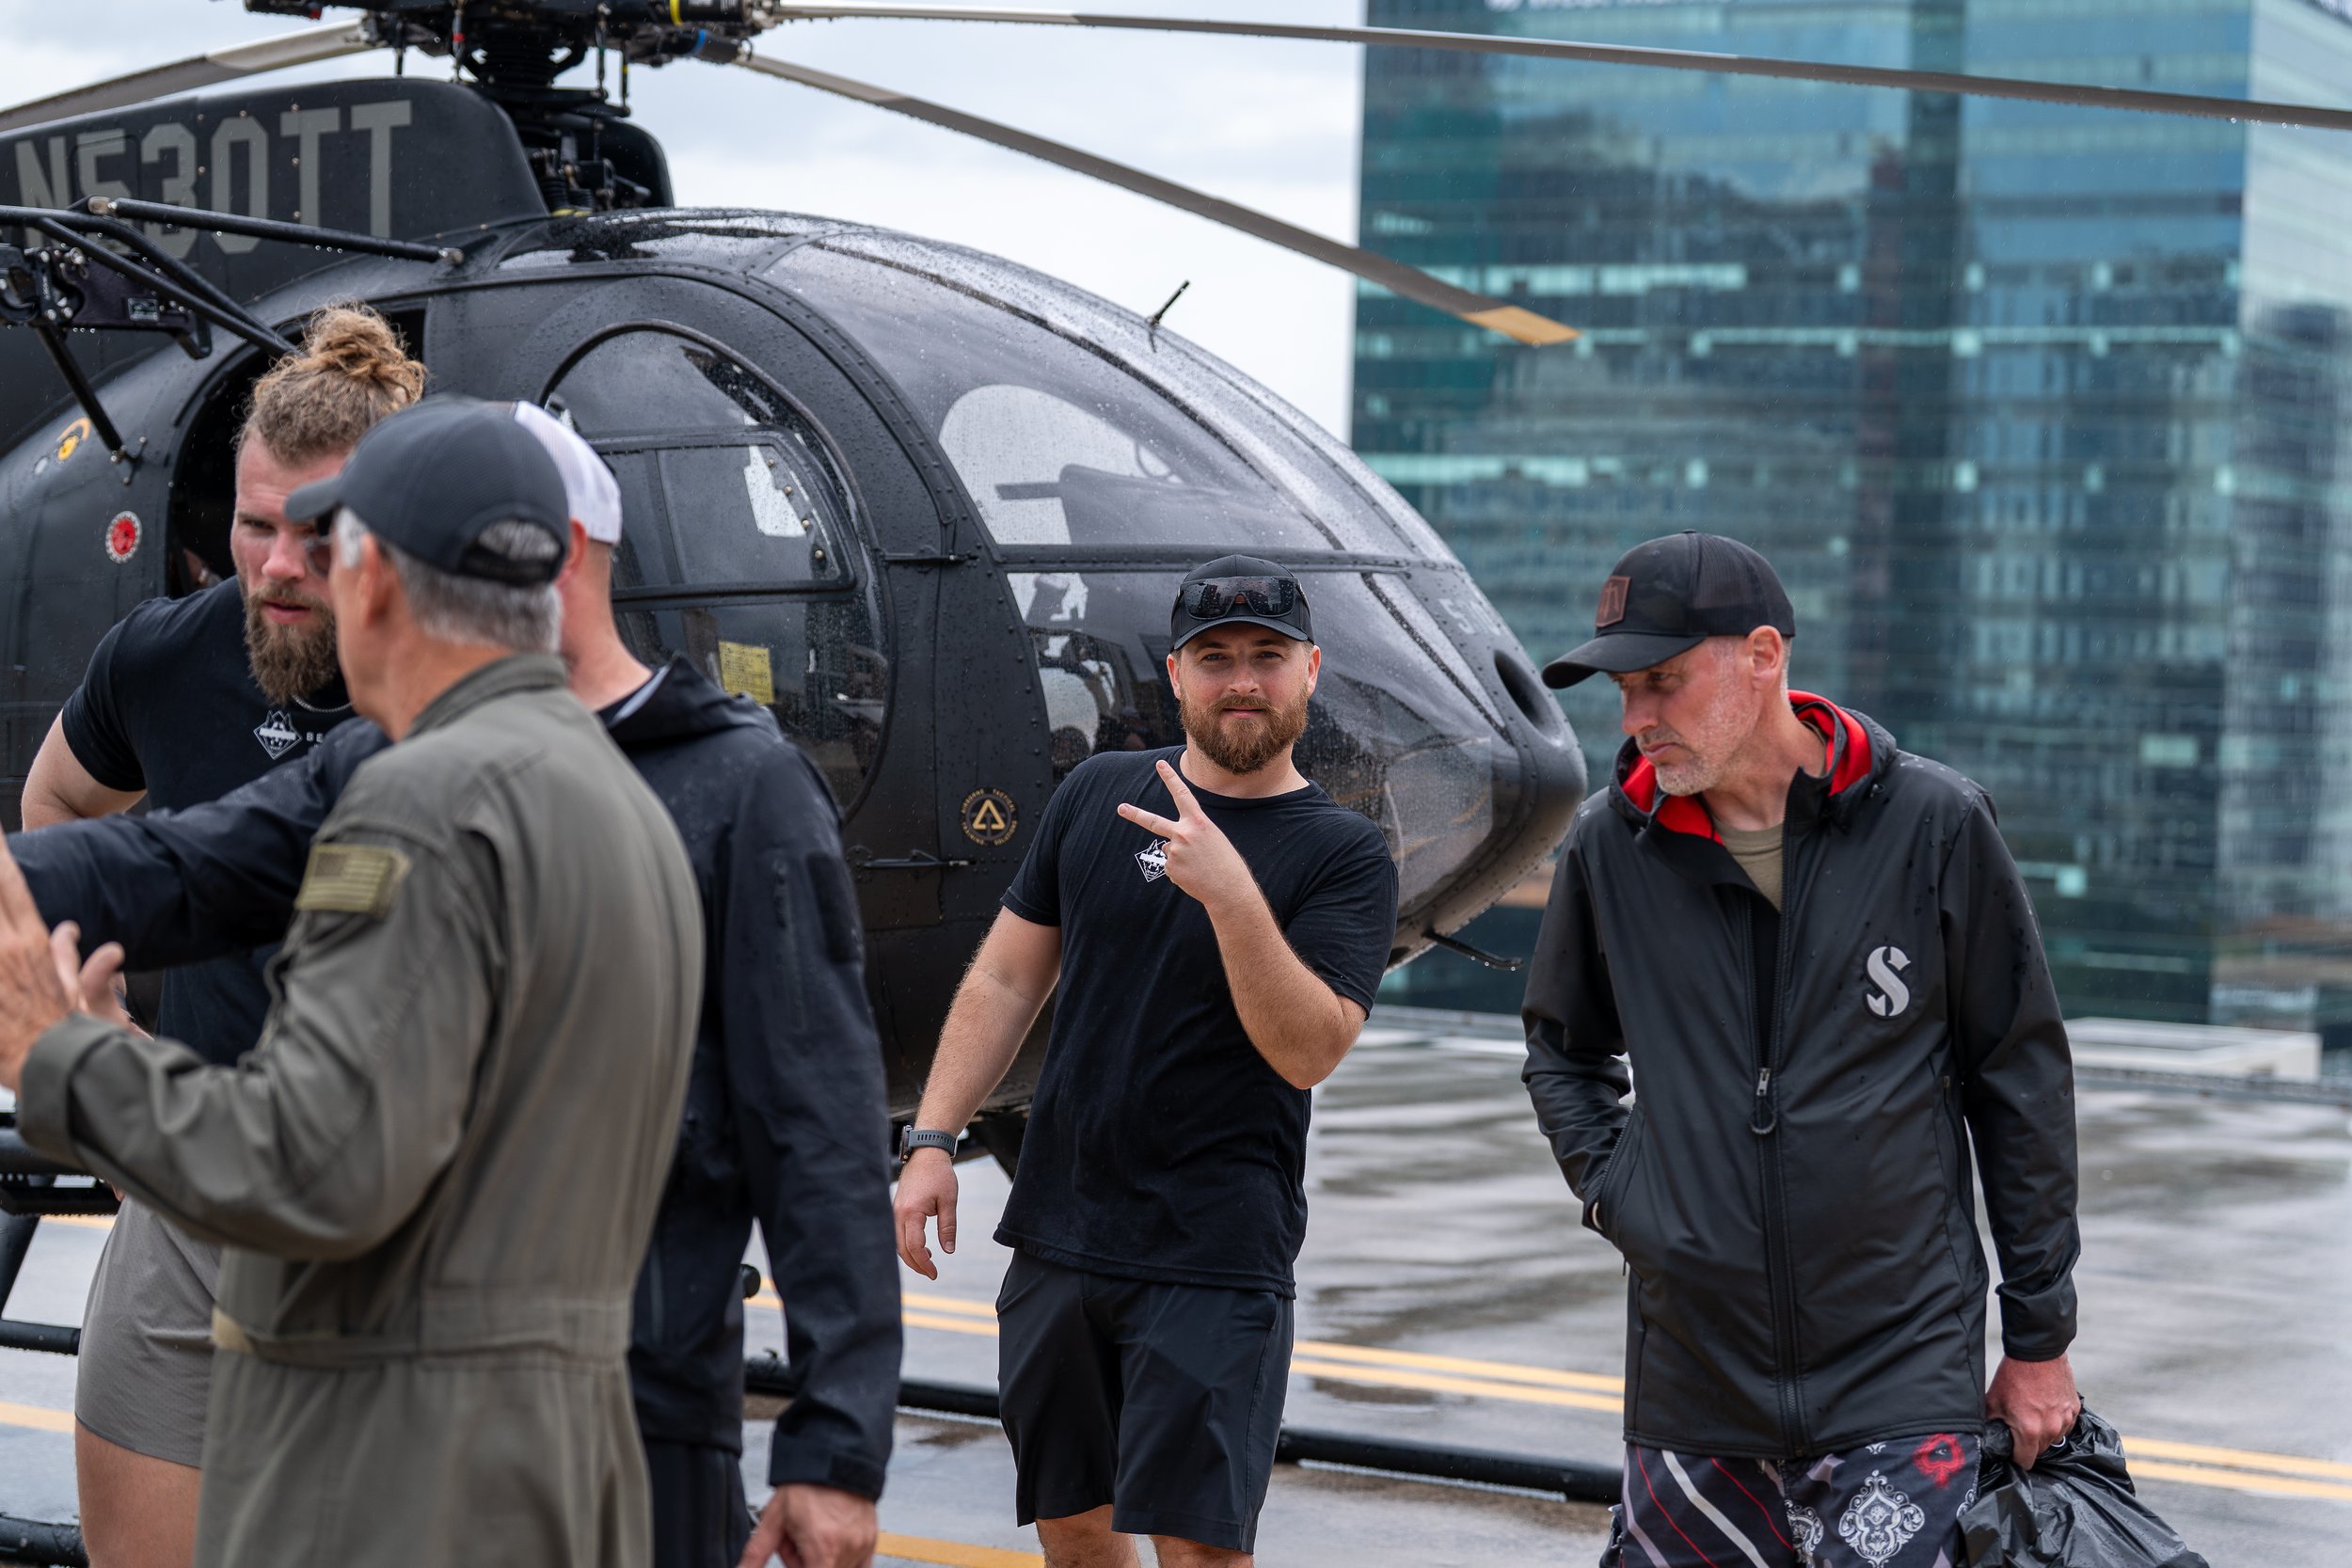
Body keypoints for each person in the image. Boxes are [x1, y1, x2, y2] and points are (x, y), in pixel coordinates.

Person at [9, 404, 899, 1568]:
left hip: (557, 1409)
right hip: (523, 1411)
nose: (299, 577)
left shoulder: (708, 784)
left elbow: (819, 1127)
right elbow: (185, 862)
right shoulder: (538, 779)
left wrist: (60, 1054)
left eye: (334, 550)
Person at [1520, 531, 2083, 1568]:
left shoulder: (1933, 825)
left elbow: (2020, 1082)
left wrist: (2038, 1334)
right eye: (1622, 690)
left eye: (1662, 682)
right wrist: (1622, 1192)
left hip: (1900, 1367)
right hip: (1692, 1380)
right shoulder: (1610, 845)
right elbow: (1563, 1050)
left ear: (1763, 655)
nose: (1636, 717)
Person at [12, 306, 421, 1568]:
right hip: (187, 1186)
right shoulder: (166, 657)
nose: (278, 566)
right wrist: (107, 1033)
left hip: (403, 1221)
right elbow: (61, 813)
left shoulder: (450, 708)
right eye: (254, 525)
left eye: (323, 532)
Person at [894, 555, 1398, 1568]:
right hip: (1059, 1232)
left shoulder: (1345, 851)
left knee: (1197, 1547)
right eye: (1215, 657)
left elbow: (1308, 1049)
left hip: (1213, 1253)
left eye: (1266, 655)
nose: (1241, 679)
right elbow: (1003, 979)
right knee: (1073, 1530)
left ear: (1309, 671)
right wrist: (933, 1136)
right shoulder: (1098, 794)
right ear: (1176, 675)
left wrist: (1229, 893)